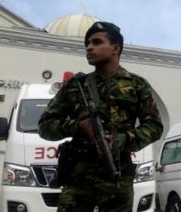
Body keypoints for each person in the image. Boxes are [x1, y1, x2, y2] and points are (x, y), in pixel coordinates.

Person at [38, 21, 164, 211]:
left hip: (117, 178)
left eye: (97, 42)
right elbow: (44, 126)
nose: (89, 47)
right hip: (78, 178)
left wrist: (122, 139)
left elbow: (154, 127)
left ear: (115, 48)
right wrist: (76, 126)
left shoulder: (137, 85)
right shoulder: (75, 85)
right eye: (87, 43)